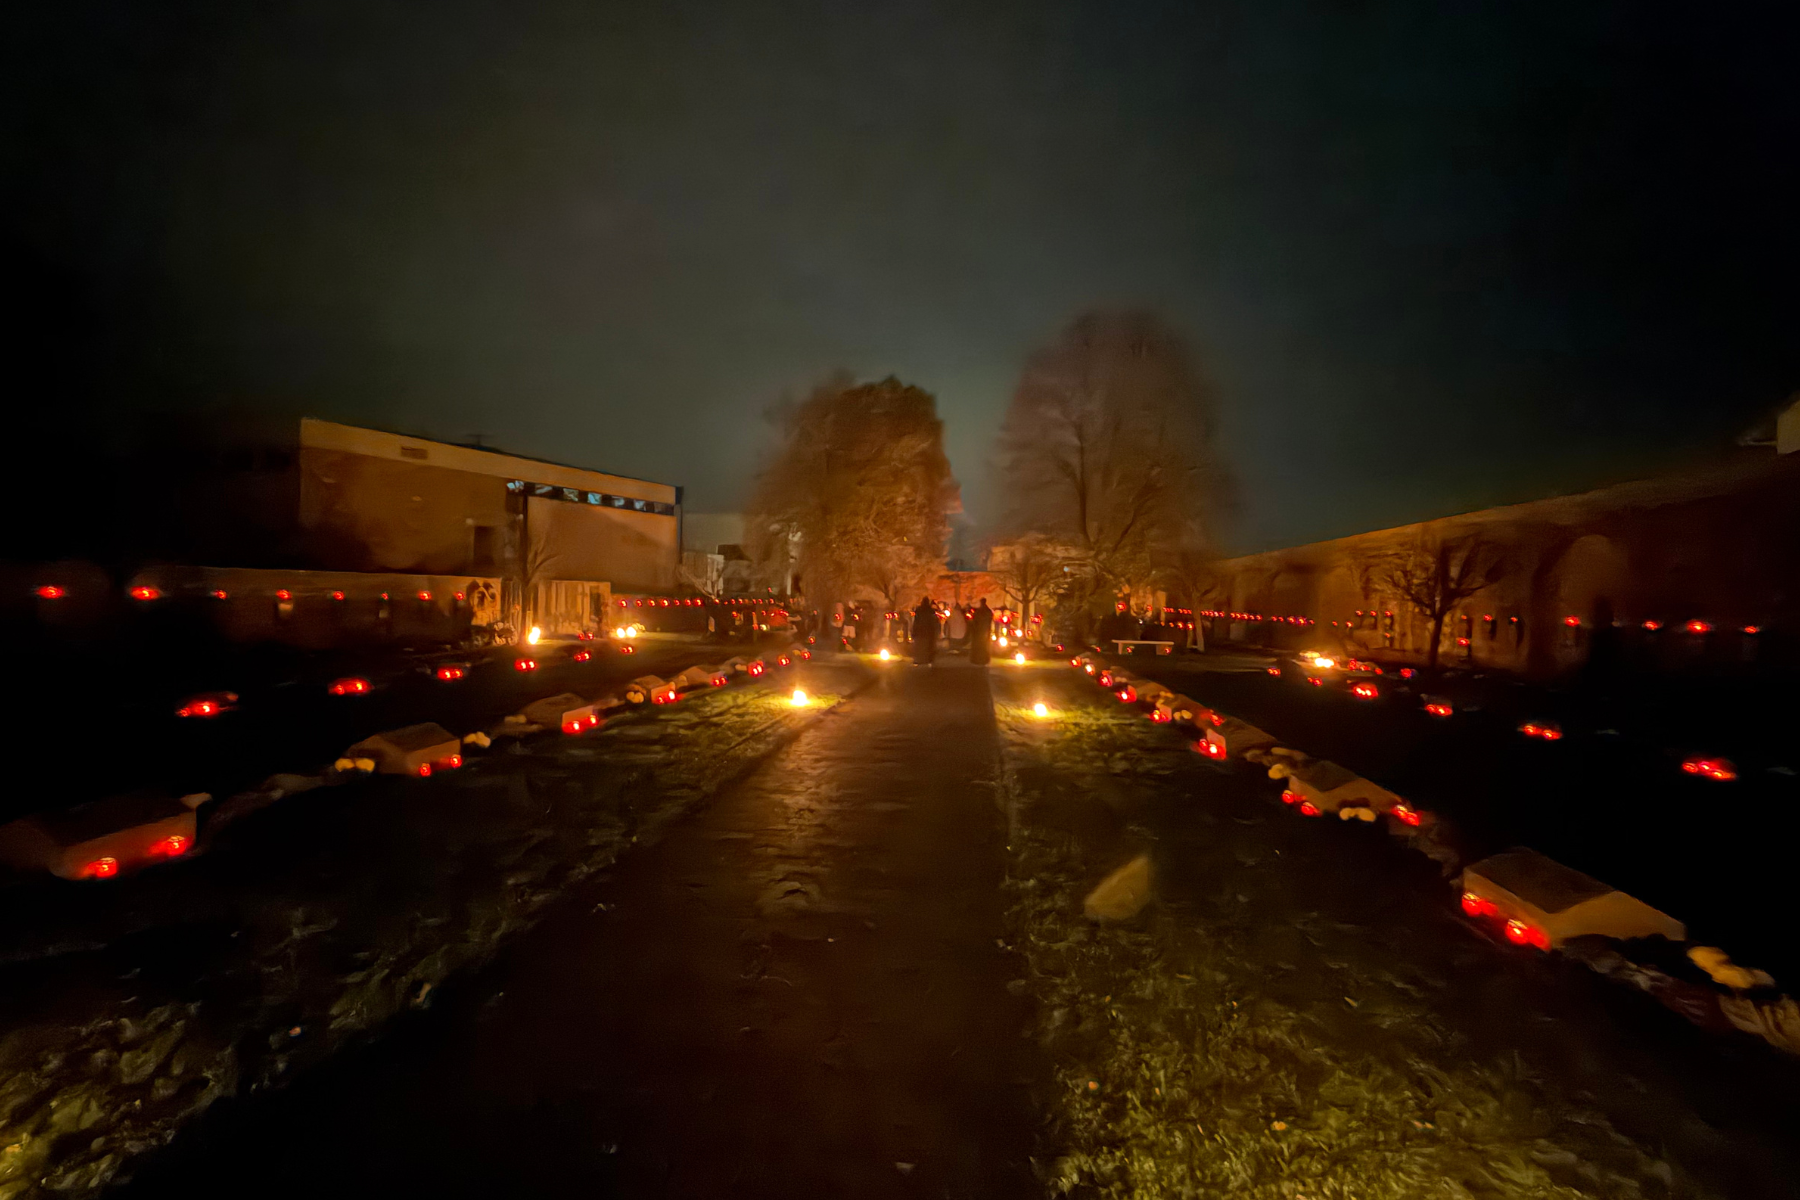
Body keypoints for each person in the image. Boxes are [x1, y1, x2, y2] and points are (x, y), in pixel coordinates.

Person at [911, 596, 938, 665]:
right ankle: (929, 660)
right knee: (929, 646)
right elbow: (933, 622)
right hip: (928, 631)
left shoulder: (919, 610)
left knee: (918, 646)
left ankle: (917, 660)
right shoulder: (930, 611)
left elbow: (916, 622)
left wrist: (913, 632)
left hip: (920, 631)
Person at [968, 598, 994, 664]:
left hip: (979, 632)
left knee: (979, 646)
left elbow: (975, 621)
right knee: (984, 646)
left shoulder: (980, 612)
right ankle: (982, 659)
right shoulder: (988, 611)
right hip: (985, 632)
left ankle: (977, 659)